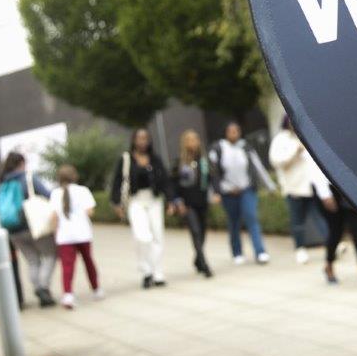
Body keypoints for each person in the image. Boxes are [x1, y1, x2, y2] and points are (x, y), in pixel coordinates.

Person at [110, 128, 171, 289]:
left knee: (157, 235)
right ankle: (146, 271)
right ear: (134, 140)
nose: (143, 141)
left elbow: (165, 180)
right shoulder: (126, 159)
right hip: (136, 201)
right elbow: (117, 181)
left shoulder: (155, 159)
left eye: (145, 138)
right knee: (141, 235)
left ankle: (158, 272)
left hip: (154, 200)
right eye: (139, 138)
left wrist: (171, 200)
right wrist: (116, 203)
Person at [208, 122, 276, 266]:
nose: (234, 133)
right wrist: (216, 191)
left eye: (236, 131)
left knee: (251, 218)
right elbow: (213, 172)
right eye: (230, 131)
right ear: (226, 133)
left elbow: (258, 167)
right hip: (228, 192)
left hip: (246, 189)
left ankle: (260, 252)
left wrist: (270, 186)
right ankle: (237, 252)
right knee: (234, 222)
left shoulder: (246, 147)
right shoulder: (218, 148)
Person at [0, 152, 57, 307]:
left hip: (13, 230)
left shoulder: (2, 184)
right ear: (21, 163)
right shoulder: (28, 178)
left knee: (32, 261)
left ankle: (37, 288)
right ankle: (43, 287)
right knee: (50, 255)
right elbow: (48, 194)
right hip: (33, 225)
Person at [269, 117, 328, 264]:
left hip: (310, 185)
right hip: (294, 187)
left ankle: (332, 244)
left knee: (319, 217)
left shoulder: (303, 135)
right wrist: (295, 152)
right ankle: (300, 249)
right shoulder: (280, 140)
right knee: (298, 222)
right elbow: (275, 161)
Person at [49, 165, 103, 309]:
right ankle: (96, 289)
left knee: (67, 266)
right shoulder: (83, 191)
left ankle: (68, 295)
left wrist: (55, 233)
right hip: (83, 233)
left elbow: (54, 217)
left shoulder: (55, 194)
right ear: (75, 176)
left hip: (65, 236)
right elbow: (90, 212)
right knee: (88, 262)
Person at [171, 130, 218, 278]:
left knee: (202, 233)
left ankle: (197, 259)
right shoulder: (179, 162)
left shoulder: (204, 160)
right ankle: (205, 265)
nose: (193, 143)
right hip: (187, 204)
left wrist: (216, 193)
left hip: (202, 202)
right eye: (189, 140)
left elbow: (212, 179)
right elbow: (173, 185)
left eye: (195, 139)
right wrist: (177, 202)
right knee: (196, 232)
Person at [319, 180, 357, 286]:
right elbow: (315, 170)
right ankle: (329, 266)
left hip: (348, 187)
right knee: (336, 232)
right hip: (330, 190)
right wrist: (325, 194)